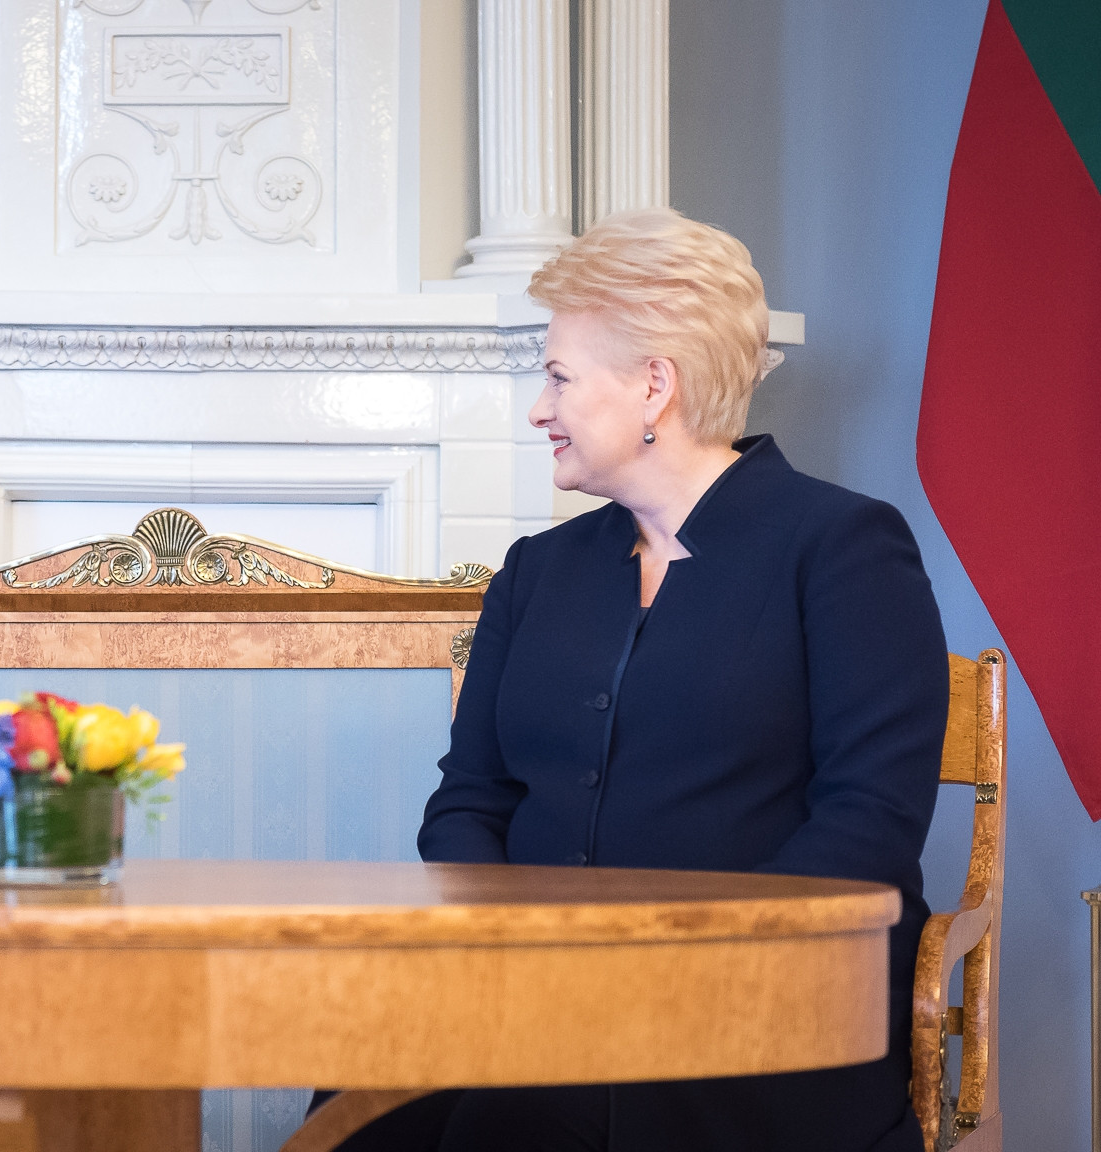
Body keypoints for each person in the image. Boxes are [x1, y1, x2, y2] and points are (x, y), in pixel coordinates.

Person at [347, 209, 945, 1151]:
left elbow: (868, 822)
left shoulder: (841, 548)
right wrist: (515, 954)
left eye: (557, 378)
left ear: (654, 386)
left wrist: (683, 969)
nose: (539, 409)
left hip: (764, 999)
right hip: (533, 995)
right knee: (365, 1093)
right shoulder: (535, 571)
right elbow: (468, 801)